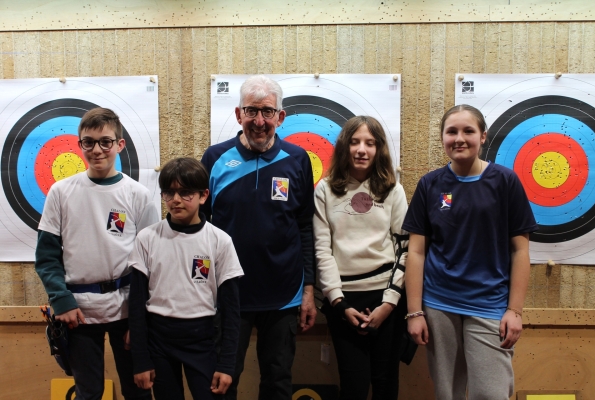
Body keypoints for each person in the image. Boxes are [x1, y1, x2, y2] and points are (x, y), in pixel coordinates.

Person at [402, 104, 538, 400]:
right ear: (442, 138)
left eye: (468, 131)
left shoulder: (505, 181)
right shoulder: (430, 184)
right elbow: (416, 253)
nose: (459, 138)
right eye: (451, 131)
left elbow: (520, 251)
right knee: (447, 393)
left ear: (483, 136)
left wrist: (514, 311)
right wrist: (414, 312)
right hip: (439, 304)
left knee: (490, 394)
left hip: (490, 305)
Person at [200, 75, 317, 400]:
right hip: (228, 294)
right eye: (252, 111)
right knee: (223, 382)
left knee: (278, 382)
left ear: (281, 116)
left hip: (284, 294)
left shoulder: (297, 160)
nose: (260, 121)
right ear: (239, 114)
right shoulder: (214, 159)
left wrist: (308, 291)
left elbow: (305, 226)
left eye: (268, 112)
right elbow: (198, 229)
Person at [35, 107, 158, 400]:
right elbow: (47, 256)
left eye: (105, 141)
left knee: (138, 390)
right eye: (88, 142)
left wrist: (142, 320)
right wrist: (61, 301)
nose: (97, 149)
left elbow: (152, 262)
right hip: (77, 311)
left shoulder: (137, 194)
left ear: (119, 144)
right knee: (89, 392)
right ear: (79, 145)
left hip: (127, 308)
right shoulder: (61, 193)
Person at [127, 157, 244, 400]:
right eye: (169, 192)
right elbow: (136, 305)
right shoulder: (147, 239)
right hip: (159, 340)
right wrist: (140, 359)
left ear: (203, 196)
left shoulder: (220, 241)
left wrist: (226, 364)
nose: (176, 200)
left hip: (203, 340)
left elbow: (232, 311)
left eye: (186, 192)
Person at [314, 115, 409, 400]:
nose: (361, 150)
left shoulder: (393, 189)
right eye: (354, 142)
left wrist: (389, 304)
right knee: (353, 385)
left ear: (379, 149)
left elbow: (405, 248)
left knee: (385, 382)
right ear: (344, 147)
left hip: (386, 300)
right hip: (343, 301)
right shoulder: (326, 189)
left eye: (370, 143)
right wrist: (339, 302)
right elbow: (322, 250)